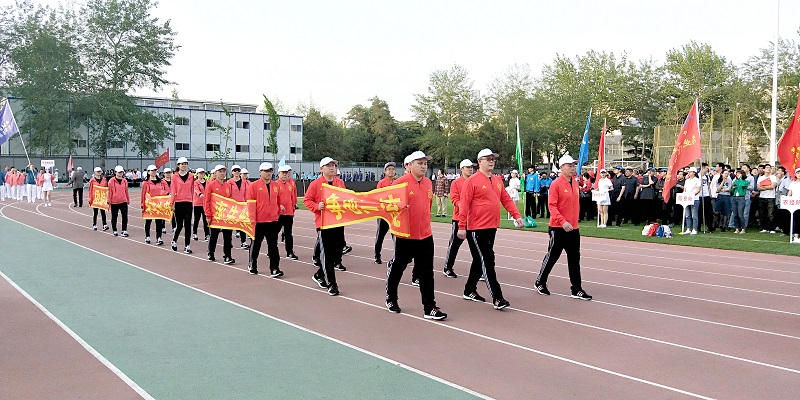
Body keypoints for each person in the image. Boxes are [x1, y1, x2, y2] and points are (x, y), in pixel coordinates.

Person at [457, 148, 523, 310]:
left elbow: (506, 200)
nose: (491, 161)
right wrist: (461, 226)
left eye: (493, 159)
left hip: (491, 227)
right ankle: (497, 297)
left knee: (479, 261)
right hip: (476, 228)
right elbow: (464, 205)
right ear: (480, 162)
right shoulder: (471, 181)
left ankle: (469, 290)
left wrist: (516, 215)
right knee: (487, 260)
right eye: (488, 159)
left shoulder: (497, 180)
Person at [385, 151, 447, 320]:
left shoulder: (428, 183)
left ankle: (430, 307)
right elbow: (388, 207)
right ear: (410, 165)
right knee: (398, 267)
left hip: (425, 234)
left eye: (425, 163)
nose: (423, 166)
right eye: (420, 163)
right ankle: (391, 298)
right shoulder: (400, 183)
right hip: (405, 235)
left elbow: (428, 205)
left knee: (427, 272)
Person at [534, 155, 592, 301]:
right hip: (558, 228)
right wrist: (562, 221)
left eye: (573, 166)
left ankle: (576, 289)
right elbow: (552, 206)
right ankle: (540, 282)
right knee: (552, 256)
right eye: (569, 166)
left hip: (573, 228)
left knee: (574, 259)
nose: (572, 168)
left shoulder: (575, 183)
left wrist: (573, 221)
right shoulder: (556, 184)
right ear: (561, 167)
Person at [304, 157, 347, 296]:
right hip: (323, 224)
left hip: (338, 221)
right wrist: (317, 206)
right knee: (327, 254)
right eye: (328, 165)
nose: (332, 168)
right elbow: (307, 200)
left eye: (333, 165)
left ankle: (319, 275)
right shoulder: (316, 184)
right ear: (321, 168)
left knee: (337, 251)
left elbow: (345, 198)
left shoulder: (340, 182)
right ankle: (332, 284)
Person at [247, 162, 283, 277]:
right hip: (258, 221)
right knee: (256, 244)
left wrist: (277, 211)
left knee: (273, 246)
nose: (268, 173)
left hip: (272, 221)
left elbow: (278, 200)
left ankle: (274, 268)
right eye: (266, 171)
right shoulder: (253, 186)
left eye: (270, 171)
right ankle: (252, 264)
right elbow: (250, 204)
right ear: (260, 172)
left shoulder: (276, 186)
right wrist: (252, 220)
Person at [443, 159, 476, 278]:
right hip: (459, 218)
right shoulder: (456, 183)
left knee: (476, 246)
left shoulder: (475, 181)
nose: (470, 169)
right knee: (454, 244)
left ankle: (479, 270)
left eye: (471, 167)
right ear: (462, 169)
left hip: (473, 219)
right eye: (468, 167)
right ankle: (448, 267)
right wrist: (462, 205)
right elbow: (454, 198)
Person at [204, 165, 235, 265]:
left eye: (223, 171)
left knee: (228, 236)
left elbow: (230, 201)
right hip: (215, 216)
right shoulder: (211, 185)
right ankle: (211, 253)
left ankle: (227, 256)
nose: (222, 173)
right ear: (215, 173)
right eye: (220, 171)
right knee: (214, 235)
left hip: (226, 216)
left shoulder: (228, 186)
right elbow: (206, 201)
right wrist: (208, 215)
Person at [373, 161, 397, 264]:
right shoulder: (381, 183)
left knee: (396, 236)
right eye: (389, 169)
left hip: (394, 214)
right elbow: (378, 197)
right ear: (385, 172)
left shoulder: (397, 182)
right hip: (383, 213)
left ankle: (397, 256)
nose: (391, 171)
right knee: (380, 236)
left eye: (393, 169)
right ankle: (377, 255)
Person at [170, 157, 195, 253]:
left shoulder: (191, 176)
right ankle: (174, 240)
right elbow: (173, 190)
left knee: (188, 224)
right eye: (182, 164)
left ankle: (187, 245)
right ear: (178, 165)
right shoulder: (174, 176)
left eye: (185, 164)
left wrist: (192, 199)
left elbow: (192, 188)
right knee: (180, 225)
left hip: (188, 202)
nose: (184, 165)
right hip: (179, 202)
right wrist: (172, 203)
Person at [141, 165, 169, 245]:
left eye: (155, 170)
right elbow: (143, 194)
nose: (154, 172)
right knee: (148, 221)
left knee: (159, 222)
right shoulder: (145, 183)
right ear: (148, 172)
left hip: (158, 204)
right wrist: (143, 204)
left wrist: (165, 194)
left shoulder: (161, 181)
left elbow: (166, 190)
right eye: (152, 170)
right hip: (149, 204)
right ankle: (147, 236)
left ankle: (159, 237)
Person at [276, 164, 298, 260]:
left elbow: (292, 198)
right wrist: (278, 206)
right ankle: (272, 251)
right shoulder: (275, 185)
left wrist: (292, 209)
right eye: (283, 173)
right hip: (278, 214)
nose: (285, 174)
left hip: (288, 213)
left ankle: (290, 252)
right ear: (278, 174)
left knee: (288, 233)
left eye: (286, 173)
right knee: (274, 233)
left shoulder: (290, 185)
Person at [228, 165, 250, 250]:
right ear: (232, 172)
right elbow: (228, 194)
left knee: (242, 225)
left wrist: (246, 204)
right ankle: (229, 242)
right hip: (232, 206)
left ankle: (243, 242)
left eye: (238, 170)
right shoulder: (229, 182)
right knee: (230, 225)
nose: (236, 172)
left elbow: (246, 194)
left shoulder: (244, 182)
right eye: (235, 170)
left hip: (242, 206)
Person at [108, 165, 130, 237]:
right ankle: (114, 230)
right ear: (115, 172)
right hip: (114, 202)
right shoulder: (111, 181)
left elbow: (126, 191)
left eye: (121, 172)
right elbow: (110, 191)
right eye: (119, 172)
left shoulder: (125, 181)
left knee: (125, 216)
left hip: (123, 201)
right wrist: (109, 200)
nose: (120, 173)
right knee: (114, 216)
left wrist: (127, 199)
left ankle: (124, 230)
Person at [757, 164, 777, 234]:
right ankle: (764, 228)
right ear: (764, 169)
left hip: (771, 197)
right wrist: (768, 186)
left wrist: (764, 187)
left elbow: (772, 186)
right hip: (762, 197)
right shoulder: (760, 178)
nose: (768, 169)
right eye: (767, 168)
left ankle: (772, 228)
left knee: (770, 214)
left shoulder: (773, 177)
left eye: (769, 168)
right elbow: (758, 187)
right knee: (762, 213)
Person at [192, 167, 209, 242]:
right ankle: (194, 233)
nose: (202, 174)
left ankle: (207, 234)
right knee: (197, 219)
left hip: (205, 203)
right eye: (200, 173)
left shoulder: (207, 182)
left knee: (206, 220)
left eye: (203, 173)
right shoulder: (195, 182)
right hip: (197, 203)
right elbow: (196, 189)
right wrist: (200, 194)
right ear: (197, 174)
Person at [88, 167, 108, 231]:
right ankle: (94, 224)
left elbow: (106, 188)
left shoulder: (104, 179)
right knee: (95, 212)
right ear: (94, 172)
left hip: (102, 198)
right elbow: (90, 190)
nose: (99, 172)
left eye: (99, 171)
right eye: (97, 171)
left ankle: (104, 224)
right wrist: (90, 198)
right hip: (95, 198)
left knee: (103, 212)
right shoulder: (92, 180)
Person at [729, 169, 749, 234]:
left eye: (739, 174)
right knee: (735, 214)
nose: (738, 175)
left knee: (740, 214)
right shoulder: (735, 181)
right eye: (737, 174)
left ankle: (743, 228)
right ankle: (736, 228)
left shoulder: (745, 181)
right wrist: (733, 188)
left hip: (741, 198)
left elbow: (743, 185)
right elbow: (732, 191)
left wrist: (740, 179)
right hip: (734, 197)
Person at [682, 167, 701, 235]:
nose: (689, 173)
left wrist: (691, 194)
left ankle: (694, 229)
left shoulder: (697, 180)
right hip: (687, 199)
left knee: (694, 215)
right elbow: (685, 189)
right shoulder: (687, 181)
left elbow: (698, 190)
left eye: (690, 172)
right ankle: (688, 228)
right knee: (688, 215)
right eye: (688, 172)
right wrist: (684, 194)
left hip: (694, 199)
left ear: (694, 173)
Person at [786, 168, 800, 243]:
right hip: (795, 204)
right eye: (798, 173)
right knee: (796, 220)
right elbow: (789, 194)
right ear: (795, 174)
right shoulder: (792, 184)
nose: (799, 174)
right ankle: (796, 236)